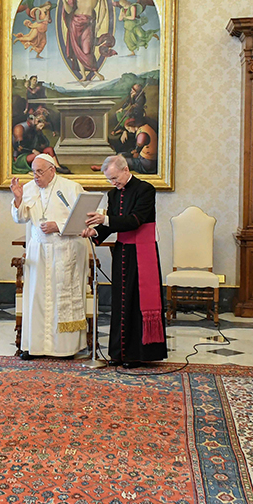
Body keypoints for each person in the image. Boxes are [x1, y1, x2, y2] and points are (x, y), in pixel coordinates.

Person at [82, 154, 167, 366]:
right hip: (122, 252)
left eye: (114, 177)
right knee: (120, 301)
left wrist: (105, 219)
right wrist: (94, 231)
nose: (113, 183)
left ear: (125, 169)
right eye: (109, 179)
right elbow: (110, 225)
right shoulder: (113, 194)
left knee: (138, 301)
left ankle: (137, 354)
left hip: (142, 251)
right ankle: (118, 353)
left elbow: (135, 220)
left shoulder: (145, 189)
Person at [10, 154, 90, 360]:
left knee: (60, 300)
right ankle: (34, 347)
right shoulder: (28, 188)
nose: (35, 176)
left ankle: (64, 349)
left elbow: (86, 218)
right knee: (36, 299)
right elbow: (21, 218)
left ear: (52, 170)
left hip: (64, 251)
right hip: (38, 252)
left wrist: (58, 226)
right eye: (33, 171)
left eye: (39, 171)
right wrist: (18, 199)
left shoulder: (71, 188)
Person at [59, 0, 107, 82]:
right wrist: (64, 0)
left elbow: (103, 7)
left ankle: (95, 71)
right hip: (75, 21)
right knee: (77, 49)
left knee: (87, 49)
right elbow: (69, 10)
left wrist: (99, 23)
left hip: (89, 22)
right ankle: (84, 76)